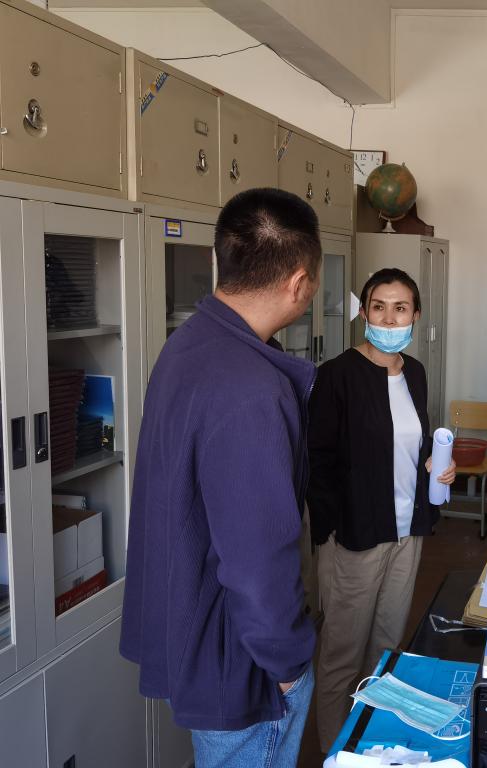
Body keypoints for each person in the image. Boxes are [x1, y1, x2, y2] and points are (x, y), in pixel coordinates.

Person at [120, 188, 322, 767]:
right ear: (299, 282)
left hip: (194, 629)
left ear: (221, 259)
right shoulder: (251, 389)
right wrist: (286, 664)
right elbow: (257, 557)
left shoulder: (189, 343)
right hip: (240, 661)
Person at [306, 267, 456, 752]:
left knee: (387, 647)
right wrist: (333, 532)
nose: (389, 319)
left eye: (400, 308)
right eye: (379, 307)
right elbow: (316, 463)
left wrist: (435, 465)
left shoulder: (415, 372)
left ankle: (368, 748)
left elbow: (411, 442)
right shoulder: (336, 375)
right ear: (364, 313)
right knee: (342, 654)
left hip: (407, 531)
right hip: (355, 537)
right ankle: (334, 752)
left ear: (416, 315)